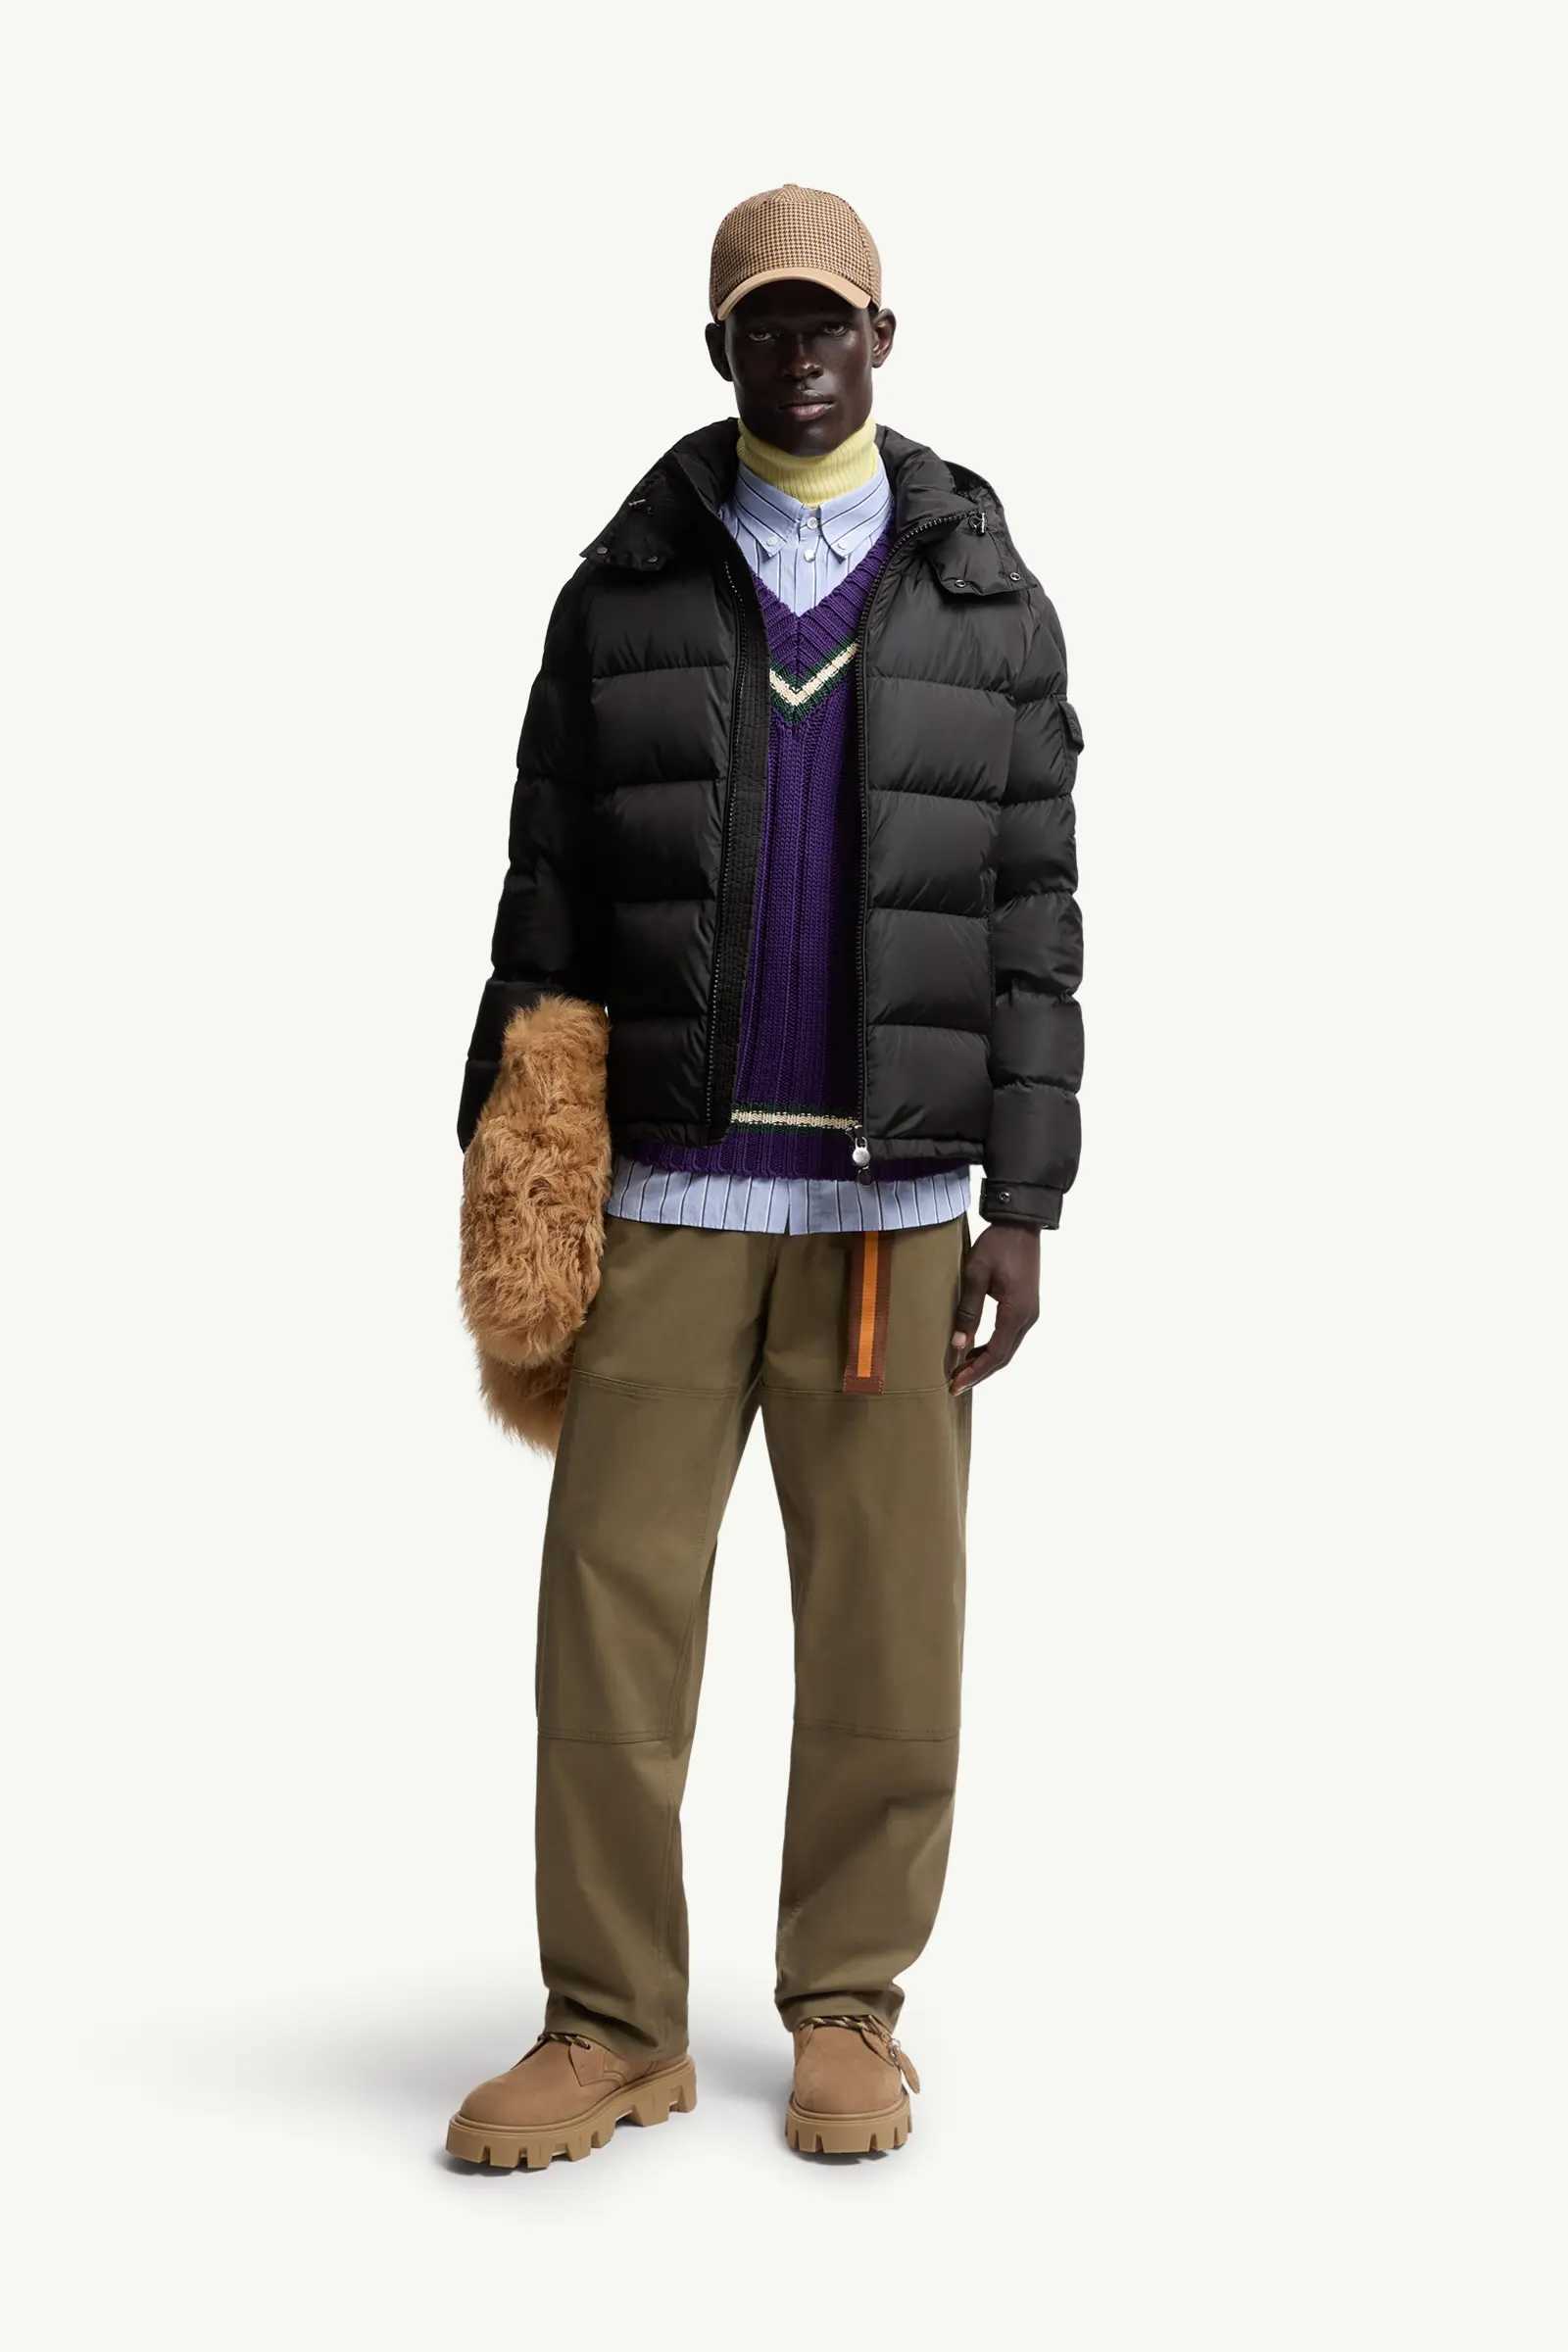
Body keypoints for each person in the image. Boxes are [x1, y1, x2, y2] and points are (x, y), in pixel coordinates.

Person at [447, 181, 1085, 2169]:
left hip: (897, 1215)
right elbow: (542, 900)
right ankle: (608, 2023)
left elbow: (1033, 925)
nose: (796, 354)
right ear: (714, 347)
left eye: (827, 322)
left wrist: (1025, 1203)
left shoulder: (989, 602)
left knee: (889, 1632)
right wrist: (505, 1172)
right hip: (662, 1199)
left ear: (883, 339)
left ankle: (847, 2007)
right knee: (607, 1625)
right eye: (760, 325)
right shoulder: (620, 593)